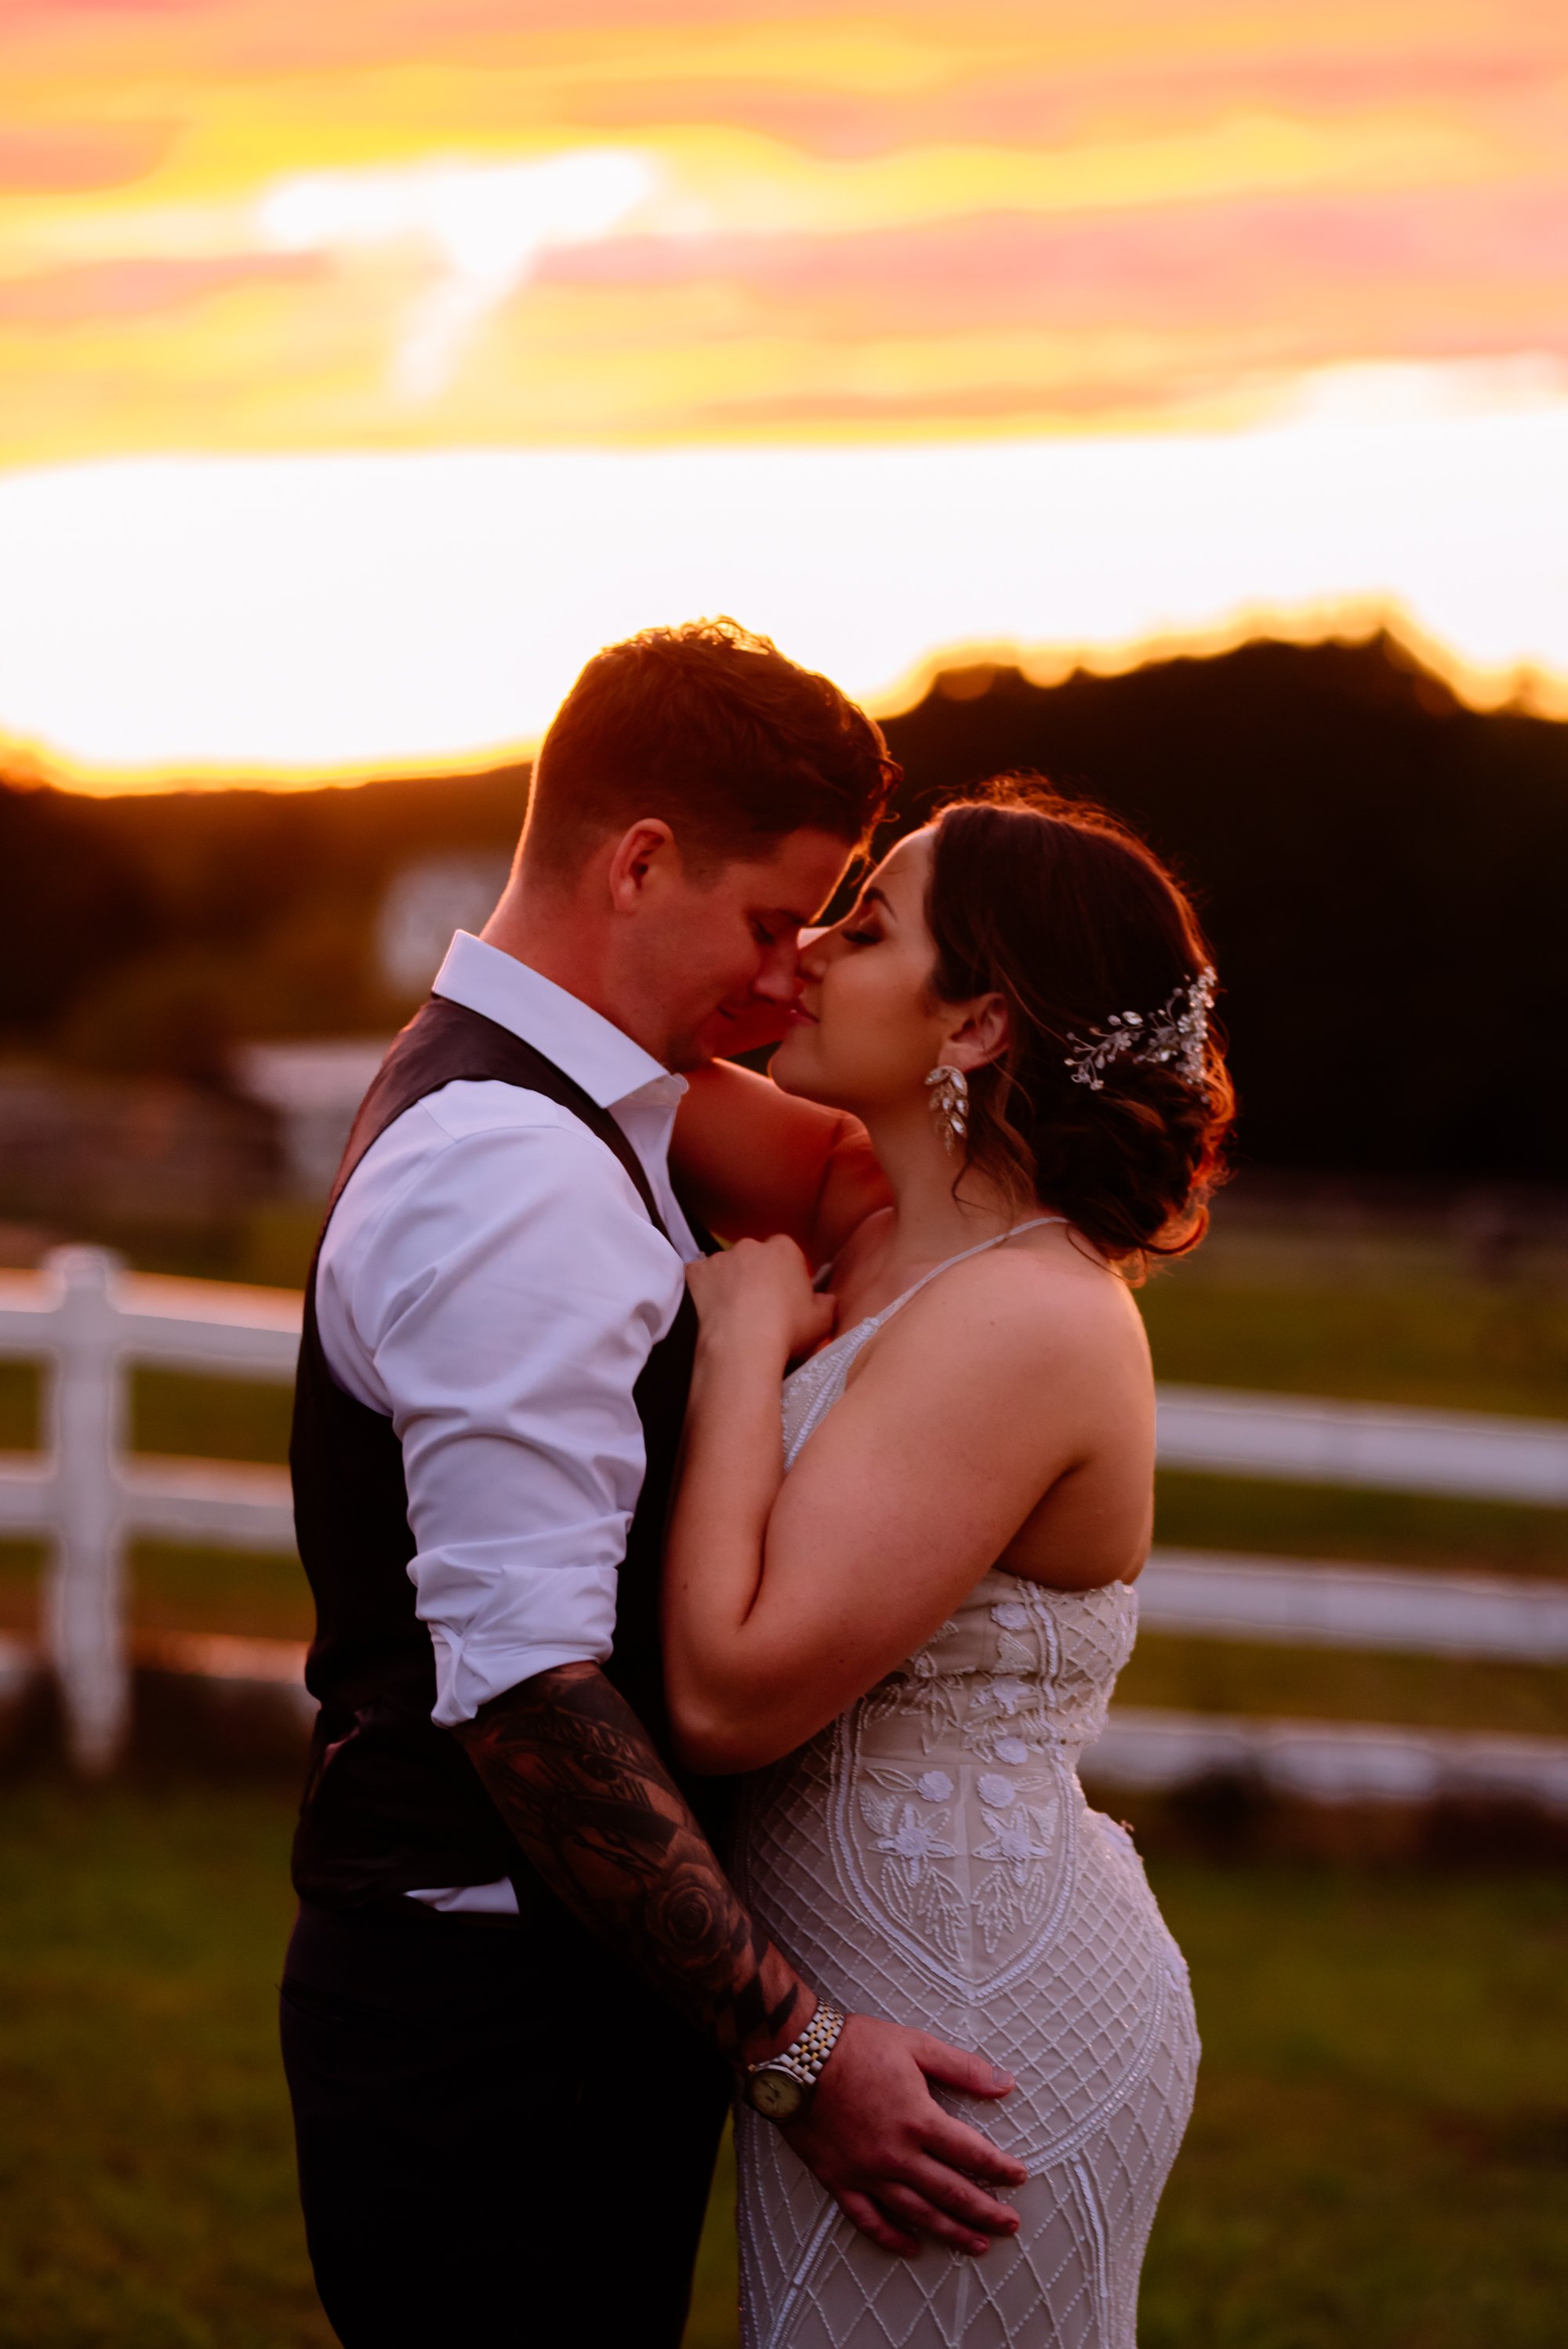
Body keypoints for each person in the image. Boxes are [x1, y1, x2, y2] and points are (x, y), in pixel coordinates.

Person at [278, 621, 1027, 2349]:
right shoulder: (510, 1166)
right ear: (638, 862)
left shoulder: (583, 1101)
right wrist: (799, 2050)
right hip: (495, 2022)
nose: (785, 981)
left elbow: (860, 1179)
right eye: (769, 924)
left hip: (543, 1983)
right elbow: (530, 1694)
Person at [663, 780, 1234, 2347]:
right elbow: (584, 1057)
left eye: (865, 929)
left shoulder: (1027, 1318)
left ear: (976, 1024)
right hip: (876, 2007)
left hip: (971, 2028)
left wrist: (740, 1353)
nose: (807, 954)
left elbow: (728, 1696)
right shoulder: (886, 1233)